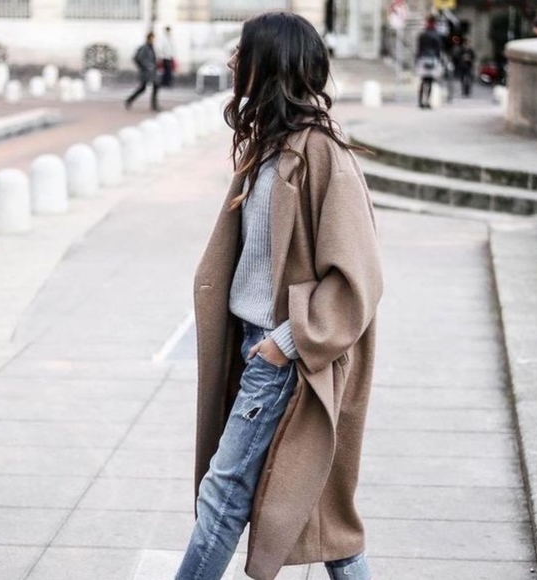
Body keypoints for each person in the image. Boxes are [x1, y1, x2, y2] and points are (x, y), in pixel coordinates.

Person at [173, 11, 383, 580]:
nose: (231, 61)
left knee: (223, 496)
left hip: (283, 355)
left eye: (242, 51)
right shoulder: (272, 144)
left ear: (271, 63)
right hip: (253, 344)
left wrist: (284, 344)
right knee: (319, 513)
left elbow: (359, 275)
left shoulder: (320, 152)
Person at [125, 32, 160, 112]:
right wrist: (145, 66)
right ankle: (129, 100)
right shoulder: (144, 48)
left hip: (151, 71)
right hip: (146, 72)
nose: (153, 40)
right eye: (152, 39)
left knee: (155, 86)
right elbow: (137, 58)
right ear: (149, 39)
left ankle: (153, 105)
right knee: (143, 88)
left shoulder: (151, 48)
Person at [416, 15, 443, 108]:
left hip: (423, 58)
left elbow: (419, 48)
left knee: (423, 81)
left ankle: (420, 101)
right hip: (433, 59)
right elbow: (438, 49)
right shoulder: (436, 34)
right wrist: (438, 60)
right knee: (430, 81)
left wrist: (417, 59)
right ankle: (427, 101)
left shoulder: (422, 34)